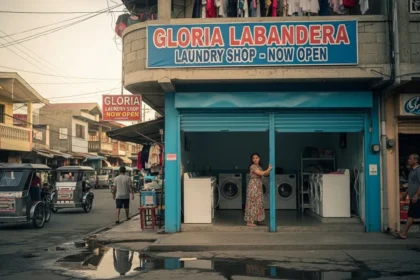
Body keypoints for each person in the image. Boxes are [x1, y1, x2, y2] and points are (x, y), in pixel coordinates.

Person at [394, 153, 420, 239]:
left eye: (410, 159)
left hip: (417, 198)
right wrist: (405, 193)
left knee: (411, 215)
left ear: (415, 160)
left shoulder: (418, 170)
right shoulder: (411, 171)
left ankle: (404, 233)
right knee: (412, 215)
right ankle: (404, 233)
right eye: (408, 159)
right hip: (413, 197)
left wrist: (416, 195)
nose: (408, 160)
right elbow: (411, 184)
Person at [244, 153, 272, 227]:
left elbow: (265, 174)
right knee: (252, 203)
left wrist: (268, 170)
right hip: (253, 186)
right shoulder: (253, 166)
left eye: (257, 157)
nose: (255, 159)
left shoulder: (259, 166)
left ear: (259, 158)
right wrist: (268, 169)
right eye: (253, 158)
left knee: (259, 202)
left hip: (258, 186)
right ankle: (250, 221)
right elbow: (261, 173)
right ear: (252, 160)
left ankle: (259, 220)